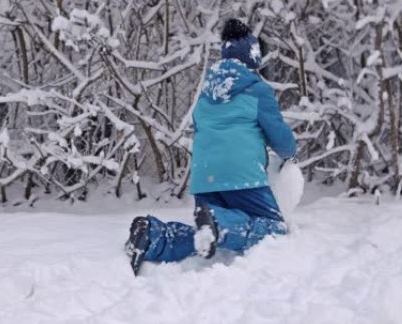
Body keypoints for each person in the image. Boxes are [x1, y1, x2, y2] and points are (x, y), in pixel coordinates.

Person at [125, 18, 297, 275]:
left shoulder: (207, 90)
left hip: (205, 178)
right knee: (274, 229)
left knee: (203, 236)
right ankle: (218, 221)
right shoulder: (257, 89)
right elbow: (282, 142)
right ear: (254, 58)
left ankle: (154, 236)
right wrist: (291, 153)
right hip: (242, 176)